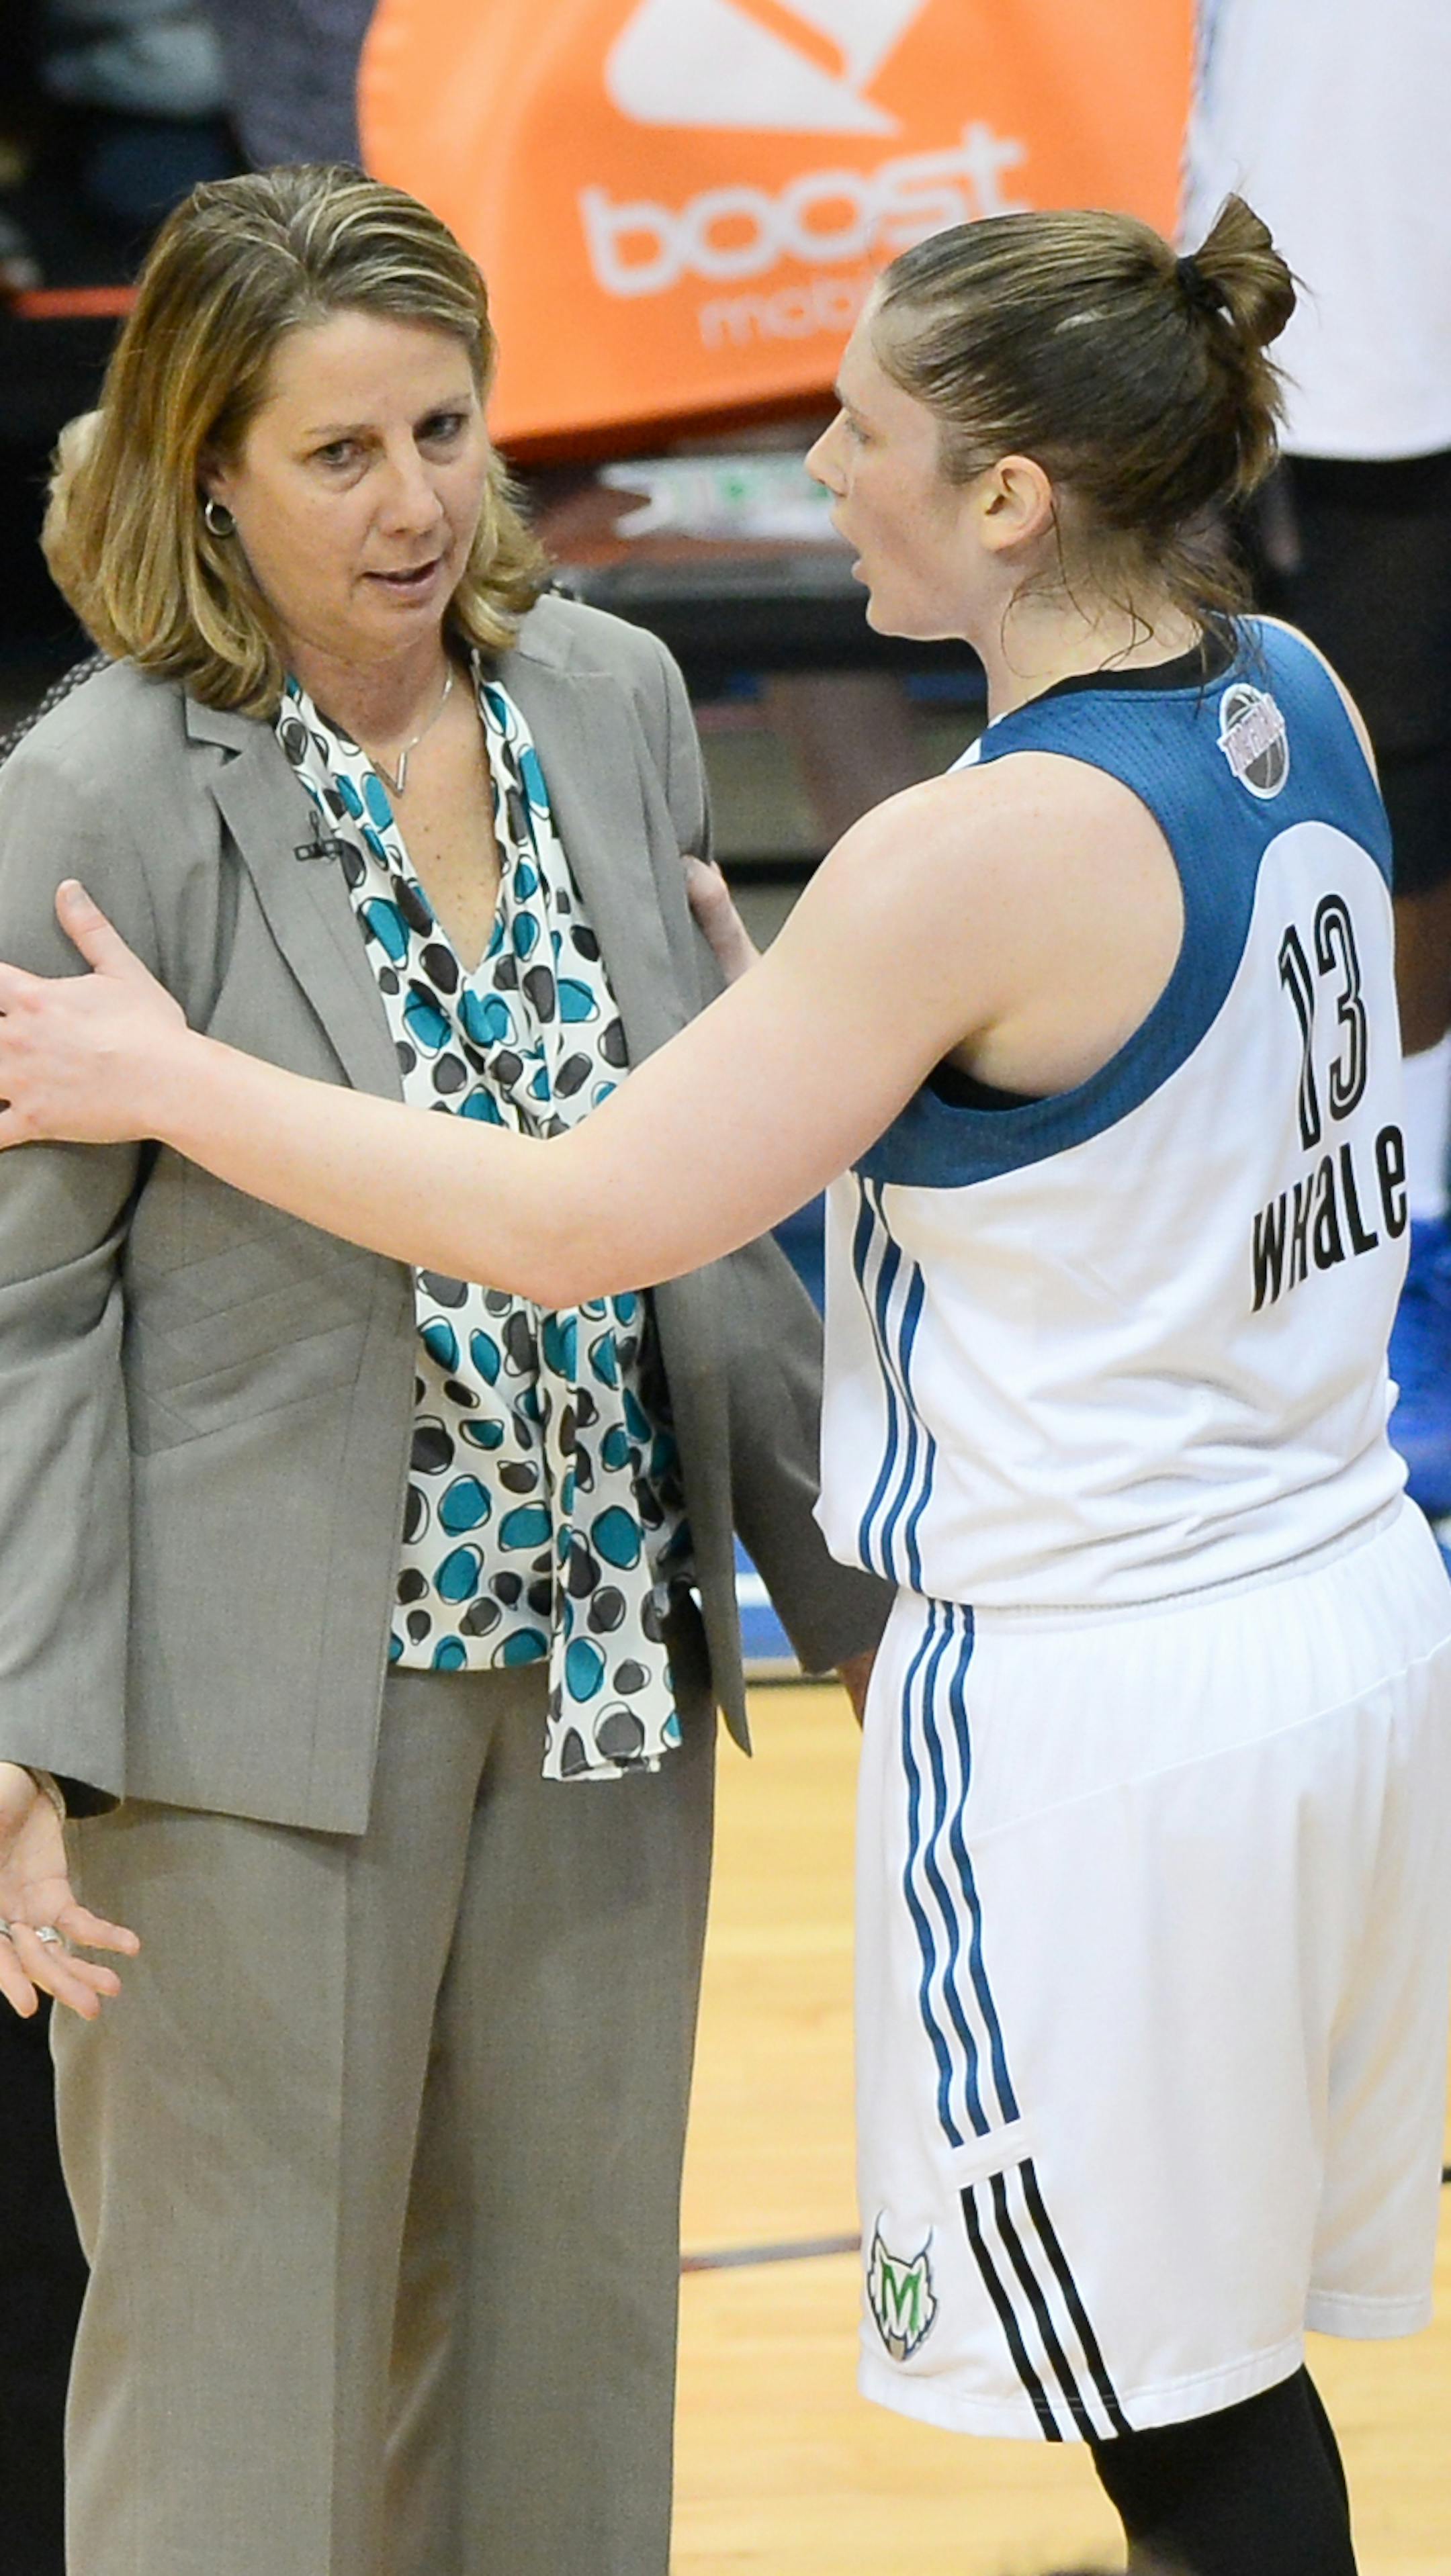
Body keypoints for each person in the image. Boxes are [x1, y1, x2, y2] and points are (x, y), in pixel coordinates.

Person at [3, 191, 1450, 2576]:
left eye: (861, 427)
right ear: (206, 471)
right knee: (1205, 2389)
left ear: (1007, 494)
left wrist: (168, 1073)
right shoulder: (1293, 682)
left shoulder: (826, 799)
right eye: (340, 447)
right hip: (1310, 1626)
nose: (817, 467)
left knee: (1103, 2417)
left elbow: (602, 1215)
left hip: (952, 1688)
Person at [0, 163, 885, 2576]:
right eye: (338, 453)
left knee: (570, 2372)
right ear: (204, 465)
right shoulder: (96, 785)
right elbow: (25, 1305)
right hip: (250, 1721)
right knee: (238, 2411)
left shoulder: (602, 696)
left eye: (448, 432)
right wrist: (21, 1735)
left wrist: (867, 1611)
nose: (414, 504)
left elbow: (704, 1198)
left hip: (605, 1676)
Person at [1184, 0, 1451, 1510]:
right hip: (1200, 263)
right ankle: (1315, 1257)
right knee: (1246, 778)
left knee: (1402, 795)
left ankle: (1408, 1239)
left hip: (1386, 261)